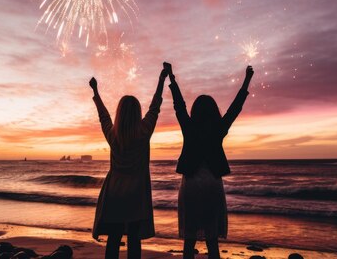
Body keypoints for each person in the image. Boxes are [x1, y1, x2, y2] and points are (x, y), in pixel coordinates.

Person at [165, 62, 254, 259]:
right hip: (213, 185)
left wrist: (171, 78)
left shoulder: (189, 127)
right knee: (212, 240)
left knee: (189, 241)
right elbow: (235, 108)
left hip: (190, 186)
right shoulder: (219, 128)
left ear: (195, 111)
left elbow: (179, 105)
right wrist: (247, 80)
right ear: (214, 110)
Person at [90, 67, 168, 259]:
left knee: (114, 237)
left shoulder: (113, 135)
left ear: (119, 113)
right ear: (137, 113)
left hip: (115, 191)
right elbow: (155, 107)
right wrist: (161, 79)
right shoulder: (143, 132)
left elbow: (103, 116)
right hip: (136, 194)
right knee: (134, 238)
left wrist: (96, 92)